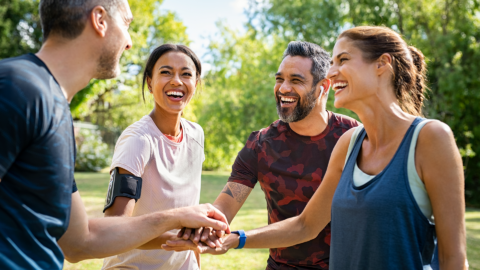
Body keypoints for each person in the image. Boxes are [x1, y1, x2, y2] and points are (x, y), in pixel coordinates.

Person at [165, 26, 467, 269]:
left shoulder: (406, 138)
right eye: (280, 79)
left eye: (343, 61)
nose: (283, 88)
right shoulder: (270, 144)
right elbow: (301, 224)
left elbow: (453, 258)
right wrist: (208, 231)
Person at [0, 1, 229, 269]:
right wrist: (179, 218)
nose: (129, 42)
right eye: (127, 24)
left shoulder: (56, 109)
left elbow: (79, 242)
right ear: (99, 19)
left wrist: (181, 220)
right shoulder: (17, 88)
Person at [171, 41, 359, 269]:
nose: (283, 88)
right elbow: (224, 208)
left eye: (296, 80)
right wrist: (202, 228)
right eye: (279, 79)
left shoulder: (355, 138)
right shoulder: (260, 145)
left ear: (323, 87)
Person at [101, 44, 207, 270]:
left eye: (186, 74)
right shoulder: (138, 140)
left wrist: (193, 252)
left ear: (195, 84)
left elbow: (189, 210)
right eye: (166, 72)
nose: (177, 81)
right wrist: (184, 239)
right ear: (150, 83)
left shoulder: (196, 135)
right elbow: (114, 228)